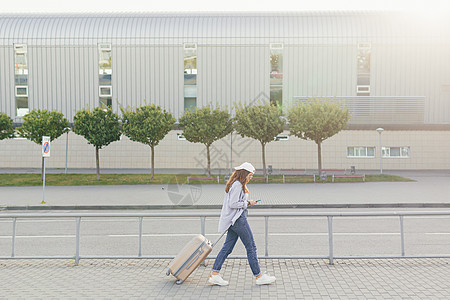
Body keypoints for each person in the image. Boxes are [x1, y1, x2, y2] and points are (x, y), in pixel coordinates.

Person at [208, 162, 276, 286]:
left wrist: (246, 202)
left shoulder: (236, 183)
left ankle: (215, 274)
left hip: (233, 220)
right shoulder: (238, 185)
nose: (251, 178)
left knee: (227, 248)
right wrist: (248, 203)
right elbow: (233, 204)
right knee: (251, 247)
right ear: (244, 173)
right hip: (238, 220)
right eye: (250, 175)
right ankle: (259, 276)